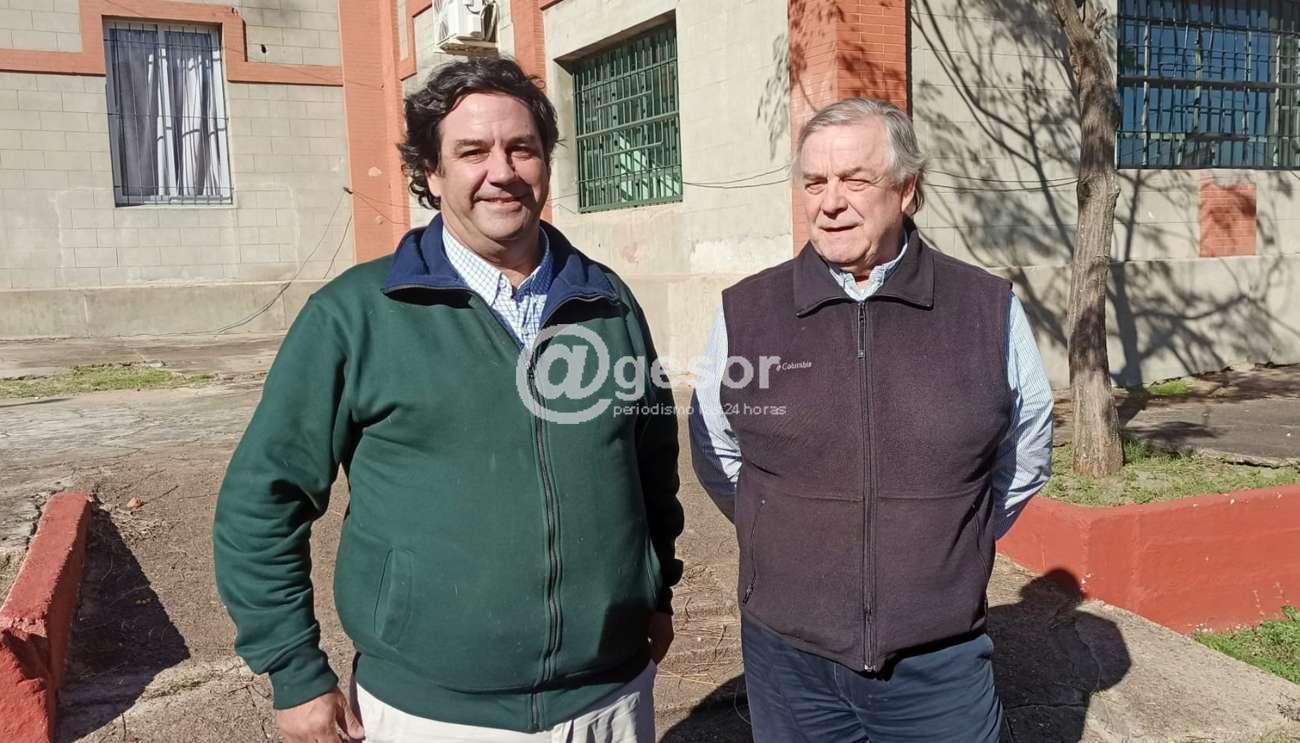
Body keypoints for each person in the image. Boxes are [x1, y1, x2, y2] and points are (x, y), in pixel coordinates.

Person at [214, 57, 683, 743]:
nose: (502, 171)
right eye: (472, 152)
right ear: (431, 173)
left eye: (521, 148)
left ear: (546, 163)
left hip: (606, 700)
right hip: (431, 712)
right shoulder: (355, 315)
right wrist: (294, 668)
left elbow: (651, 468)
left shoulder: (607, 302)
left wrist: (656, 588)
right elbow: (263, 499)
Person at [689, 97, 1053, 742]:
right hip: (787, 661)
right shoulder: (749, 311)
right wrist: (774, 531)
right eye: (814, 182)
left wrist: (955, 539)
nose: (830, 203)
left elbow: (1025, 451)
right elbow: (717, 448)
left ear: (906, 191)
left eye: (855, 180)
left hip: (938, 661)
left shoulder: (984, 307)